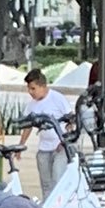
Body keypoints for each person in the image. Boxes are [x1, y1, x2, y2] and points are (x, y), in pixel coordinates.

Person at [22, 67, 75, 196]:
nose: (30, 92)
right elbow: (28, 126)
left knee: (57, 178)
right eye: (29, 88)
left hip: (60, 146)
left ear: (43, 86)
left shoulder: (57, 98)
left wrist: (66, 140)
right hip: (44, 148)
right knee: (46, 184)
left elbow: (71, 119)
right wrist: (22, 143)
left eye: (33, 88)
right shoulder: (32, 105)